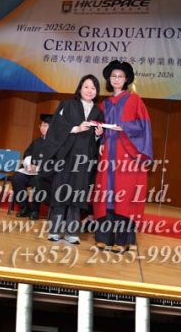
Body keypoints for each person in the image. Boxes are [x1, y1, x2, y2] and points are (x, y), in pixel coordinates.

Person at [92, 60, 153, 253]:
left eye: (120, 76)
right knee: (106, 195)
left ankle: (124, 240)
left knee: (124, 196)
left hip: (126, 155)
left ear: (126, 79)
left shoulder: (135, 100)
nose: (116, 79)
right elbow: (100, 128)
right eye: (113, 76)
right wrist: (100, 138)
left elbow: (144, 127)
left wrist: (124, 127)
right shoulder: (104, 104)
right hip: (108, 155)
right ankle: (105, 238)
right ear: (109, 79)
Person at [42, 74, 104, 244]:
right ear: (80, 88)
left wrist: (98, 135)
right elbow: (56, 126)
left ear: (97, 91)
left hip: (84, 159)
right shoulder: (68, 105)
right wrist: (75, 128)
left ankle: (72, 233)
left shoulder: (98, 112)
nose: (89, 90)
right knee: (61, 191)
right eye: (86, 86)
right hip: (66, 156)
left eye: (93, 88)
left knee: (77, 194)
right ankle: (55, 230)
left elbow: (97, 140)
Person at [12, 113, 52, 220]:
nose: (42, 128)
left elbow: (56, 162)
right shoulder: (36, 142)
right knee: (17, 178)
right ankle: (24, 207)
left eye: (45, 125)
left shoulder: (55, 144)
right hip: (31, 171)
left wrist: (39, 168)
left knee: (37, 180)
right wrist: (28, 165)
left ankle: (35, 210)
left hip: (46, 174)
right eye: (41, 125)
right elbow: (27, 154)